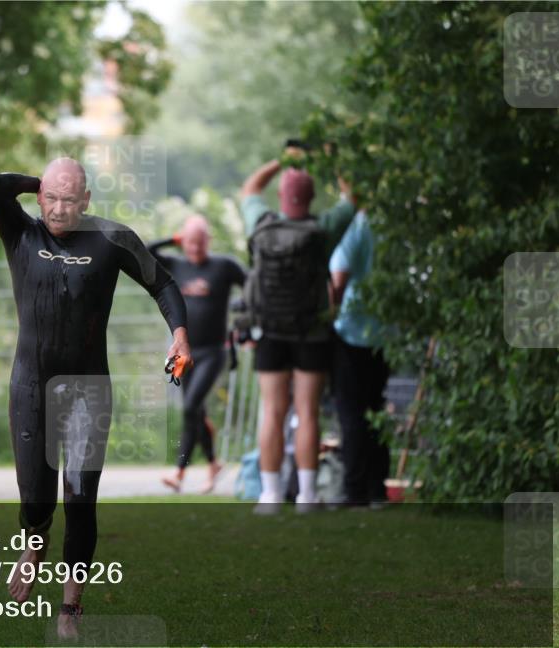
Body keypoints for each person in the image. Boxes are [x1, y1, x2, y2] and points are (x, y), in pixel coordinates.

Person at [0, 158, 191, 637]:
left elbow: (163, 283)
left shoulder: (111, 238)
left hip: (87, 390)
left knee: (80, 498)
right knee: (36, 497)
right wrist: (50, 180)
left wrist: (179, 335)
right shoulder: (21, 233)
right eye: (51, 199)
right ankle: (34, 539)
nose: (59, 209)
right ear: (39, 199)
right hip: (31, 384)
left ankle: (70, 610)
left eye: (70, 199)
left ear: (87, 200)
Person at [239, 150, 355, 514]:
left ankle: (270, 496)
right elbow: (354, 196)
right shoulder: (323, 230)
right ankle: (307, 496)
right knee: (307, 412)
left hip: (269, 330)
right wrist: (330, 159)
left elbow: (250, 187)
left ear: (281, 197)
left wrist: (278, 159)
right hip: (312, 333)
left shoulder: (260, 223)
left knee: (272, 411)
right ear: (311, 196)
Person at [148, 215, 246, 494]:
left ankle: (179, 472)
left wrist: (245, 307)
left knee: (191, 407)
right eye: (189, 241)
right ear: (183, 241)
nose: (195, 247)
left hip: (213, 351)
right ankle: (214, 463)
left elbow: (252, 283)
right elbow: (147, 251)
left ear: (208, 240)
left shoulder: (223, 266)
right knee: (193, 410)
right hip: (182, 351)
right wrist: (172, 239)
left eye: (200, 241)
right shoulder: (176, 264)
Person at [329, 209, 390, 508]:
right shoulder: (394, 226)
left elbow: (339, 275)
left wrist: (328, 313)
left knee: (351, 413)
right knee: (376, 408)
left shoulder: (359, 223)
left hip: (352, 330)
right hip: (386, 331)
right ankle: (377, 488)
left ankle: (354, 490)